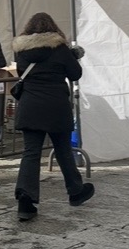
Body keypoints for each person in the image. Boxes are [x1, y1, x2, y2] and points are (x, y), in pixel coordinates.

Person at [11, 13, 93, 221]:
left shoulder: (21, 50)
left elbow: (21, 72)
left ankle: (25, 200)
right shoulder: (60, 48)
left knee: (31, 153)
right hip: (56, 105)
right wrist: (72, 57)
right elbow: (75, 74)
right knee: (63, 150)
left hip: (30, 105)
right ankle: (76, 191)